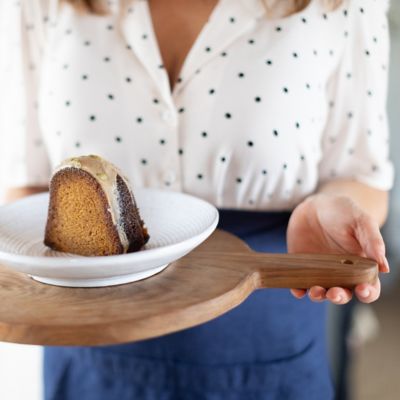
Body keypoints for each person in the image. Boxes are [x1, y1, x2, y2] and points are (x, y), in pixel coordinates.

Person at [0, 0, 393, 399]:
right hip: (89, 356)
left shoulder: (346, 6)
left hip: (263, 348)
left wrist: (332, 208)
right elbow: (28, 188)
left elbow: (363, 176)